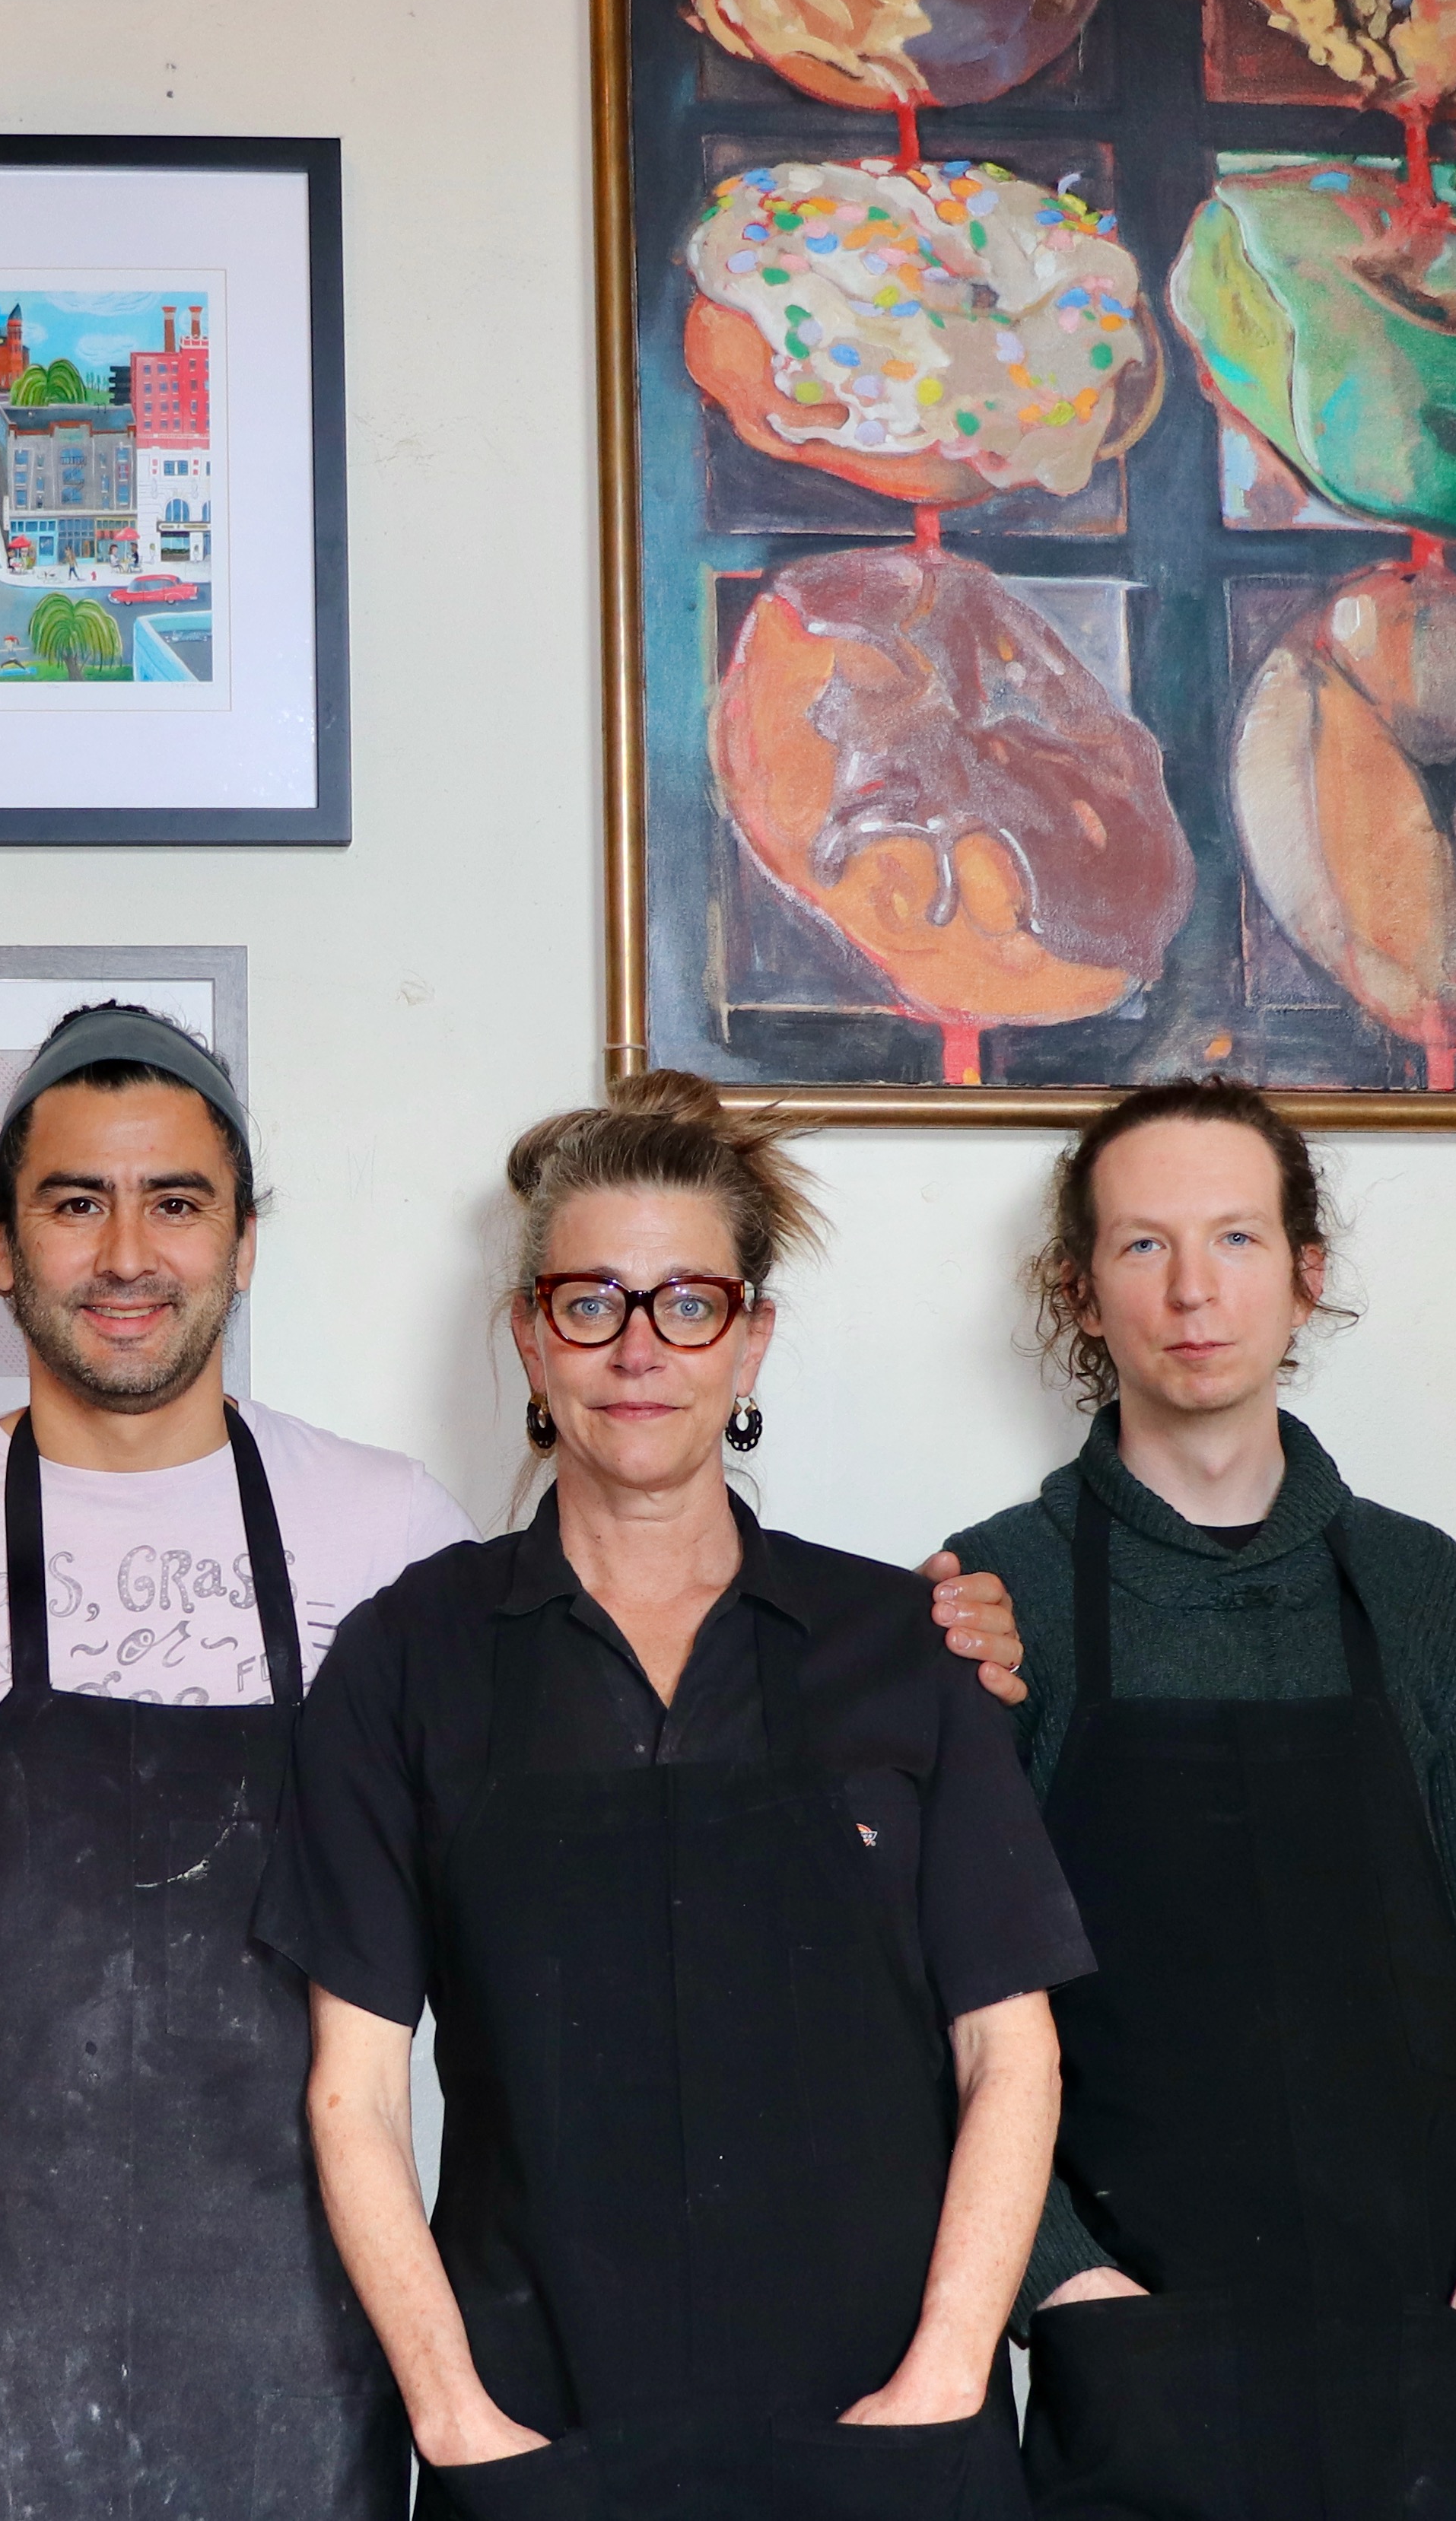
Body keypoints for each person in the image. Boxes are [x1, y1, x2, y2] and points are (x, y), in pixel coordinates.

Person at [0, 1013, 1035, 2520]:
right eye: (75, 1201)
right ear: (2, 1238)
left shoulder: (388, 1537)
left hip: (297, 2332)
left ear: (244, 1241)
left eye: (177, 1201)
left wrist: (944, 1645)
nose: (127, 1252)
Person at [261, 1072, 1090, 2521]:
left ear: (751, 1337)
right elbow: (356, 2091)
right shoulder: (409, 1658)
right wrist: (458, 2422)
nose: (638, 1347)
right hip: (543, 2444)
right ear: (529, 1333)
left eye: (689, 1303)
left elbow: (1010, 2054)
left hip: (884, 2440)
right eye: (591, 1301)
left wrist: (947, 2376)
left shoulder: (902, 1645)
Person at [942, 1079, 1456, 2519]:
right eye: (1143, 1244)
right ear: (1079, 1290)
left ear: (1307, 1274)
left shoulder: (1419, 1584)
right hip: (1145, 2355)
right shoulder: (1006, 1590)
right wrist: (1063, 2279)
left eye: (1238, 1237)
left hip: (1441, 2327)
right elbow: (952, 1989)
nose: (1193, 1289)